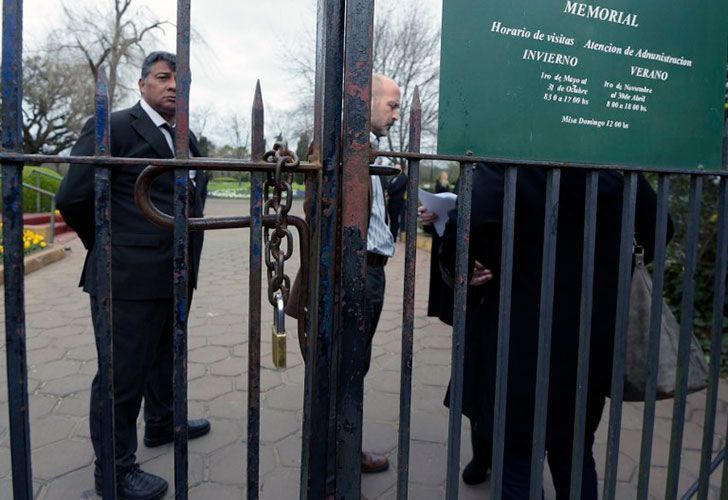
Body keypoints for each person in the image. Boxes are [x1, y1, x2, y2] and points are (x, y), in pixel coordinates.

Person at [439, 165, 671, 498]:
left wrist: (463, 264)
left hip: (516, 335)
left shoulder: (502, 162)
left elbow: (471, 227)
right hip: (588, 335)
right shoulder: (613, 168)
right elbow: (661, 229)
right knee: (575, 451)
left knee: (516, 455)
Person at [56, 51, 211, 500]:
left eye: (180, 80)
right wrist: (111, 247)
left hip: (176, 275)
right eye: (163, 78)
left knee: (164, 357)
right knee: (121, 376)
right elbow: (74, 196)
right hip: (125, 277)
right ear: (142, 84)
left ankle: (162, 423)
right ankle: (116, 473)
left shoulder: (186, 137)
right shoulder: (115, 126)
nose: (173, 87)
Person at [386, 164, 407, 242]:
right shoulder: (394, 177)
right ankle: (392, 235)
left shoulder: (403, 178)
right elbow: (389, 187)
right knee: (392, 219)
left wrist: (389, 193)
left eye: (398, 168)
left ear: (401, 169)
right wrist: (389, 192)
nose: (396, 170)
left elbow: (396, 188)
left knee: (395, 220)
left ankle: (394, 237)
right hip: (391, 201)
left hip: (398, 202)